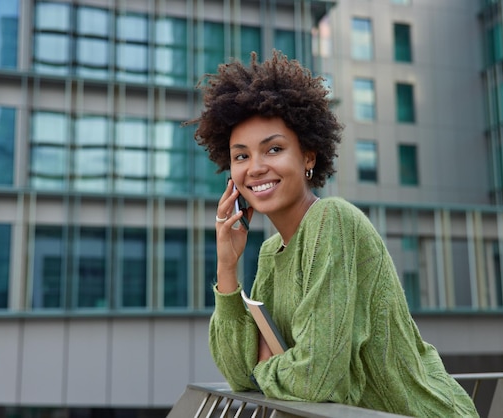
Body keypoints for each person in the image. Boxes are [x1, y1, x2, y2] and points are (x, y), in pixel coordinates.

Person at [186, 50, 479, 417]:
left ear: (308, 157)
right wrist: (227, 268)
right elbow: (236, 373)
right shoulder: (271, 251)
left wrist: (259, 369)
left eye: (273, 149)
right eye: (241, 156)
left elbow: (315, 378)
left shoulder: (333, 221)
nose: (256, 168)